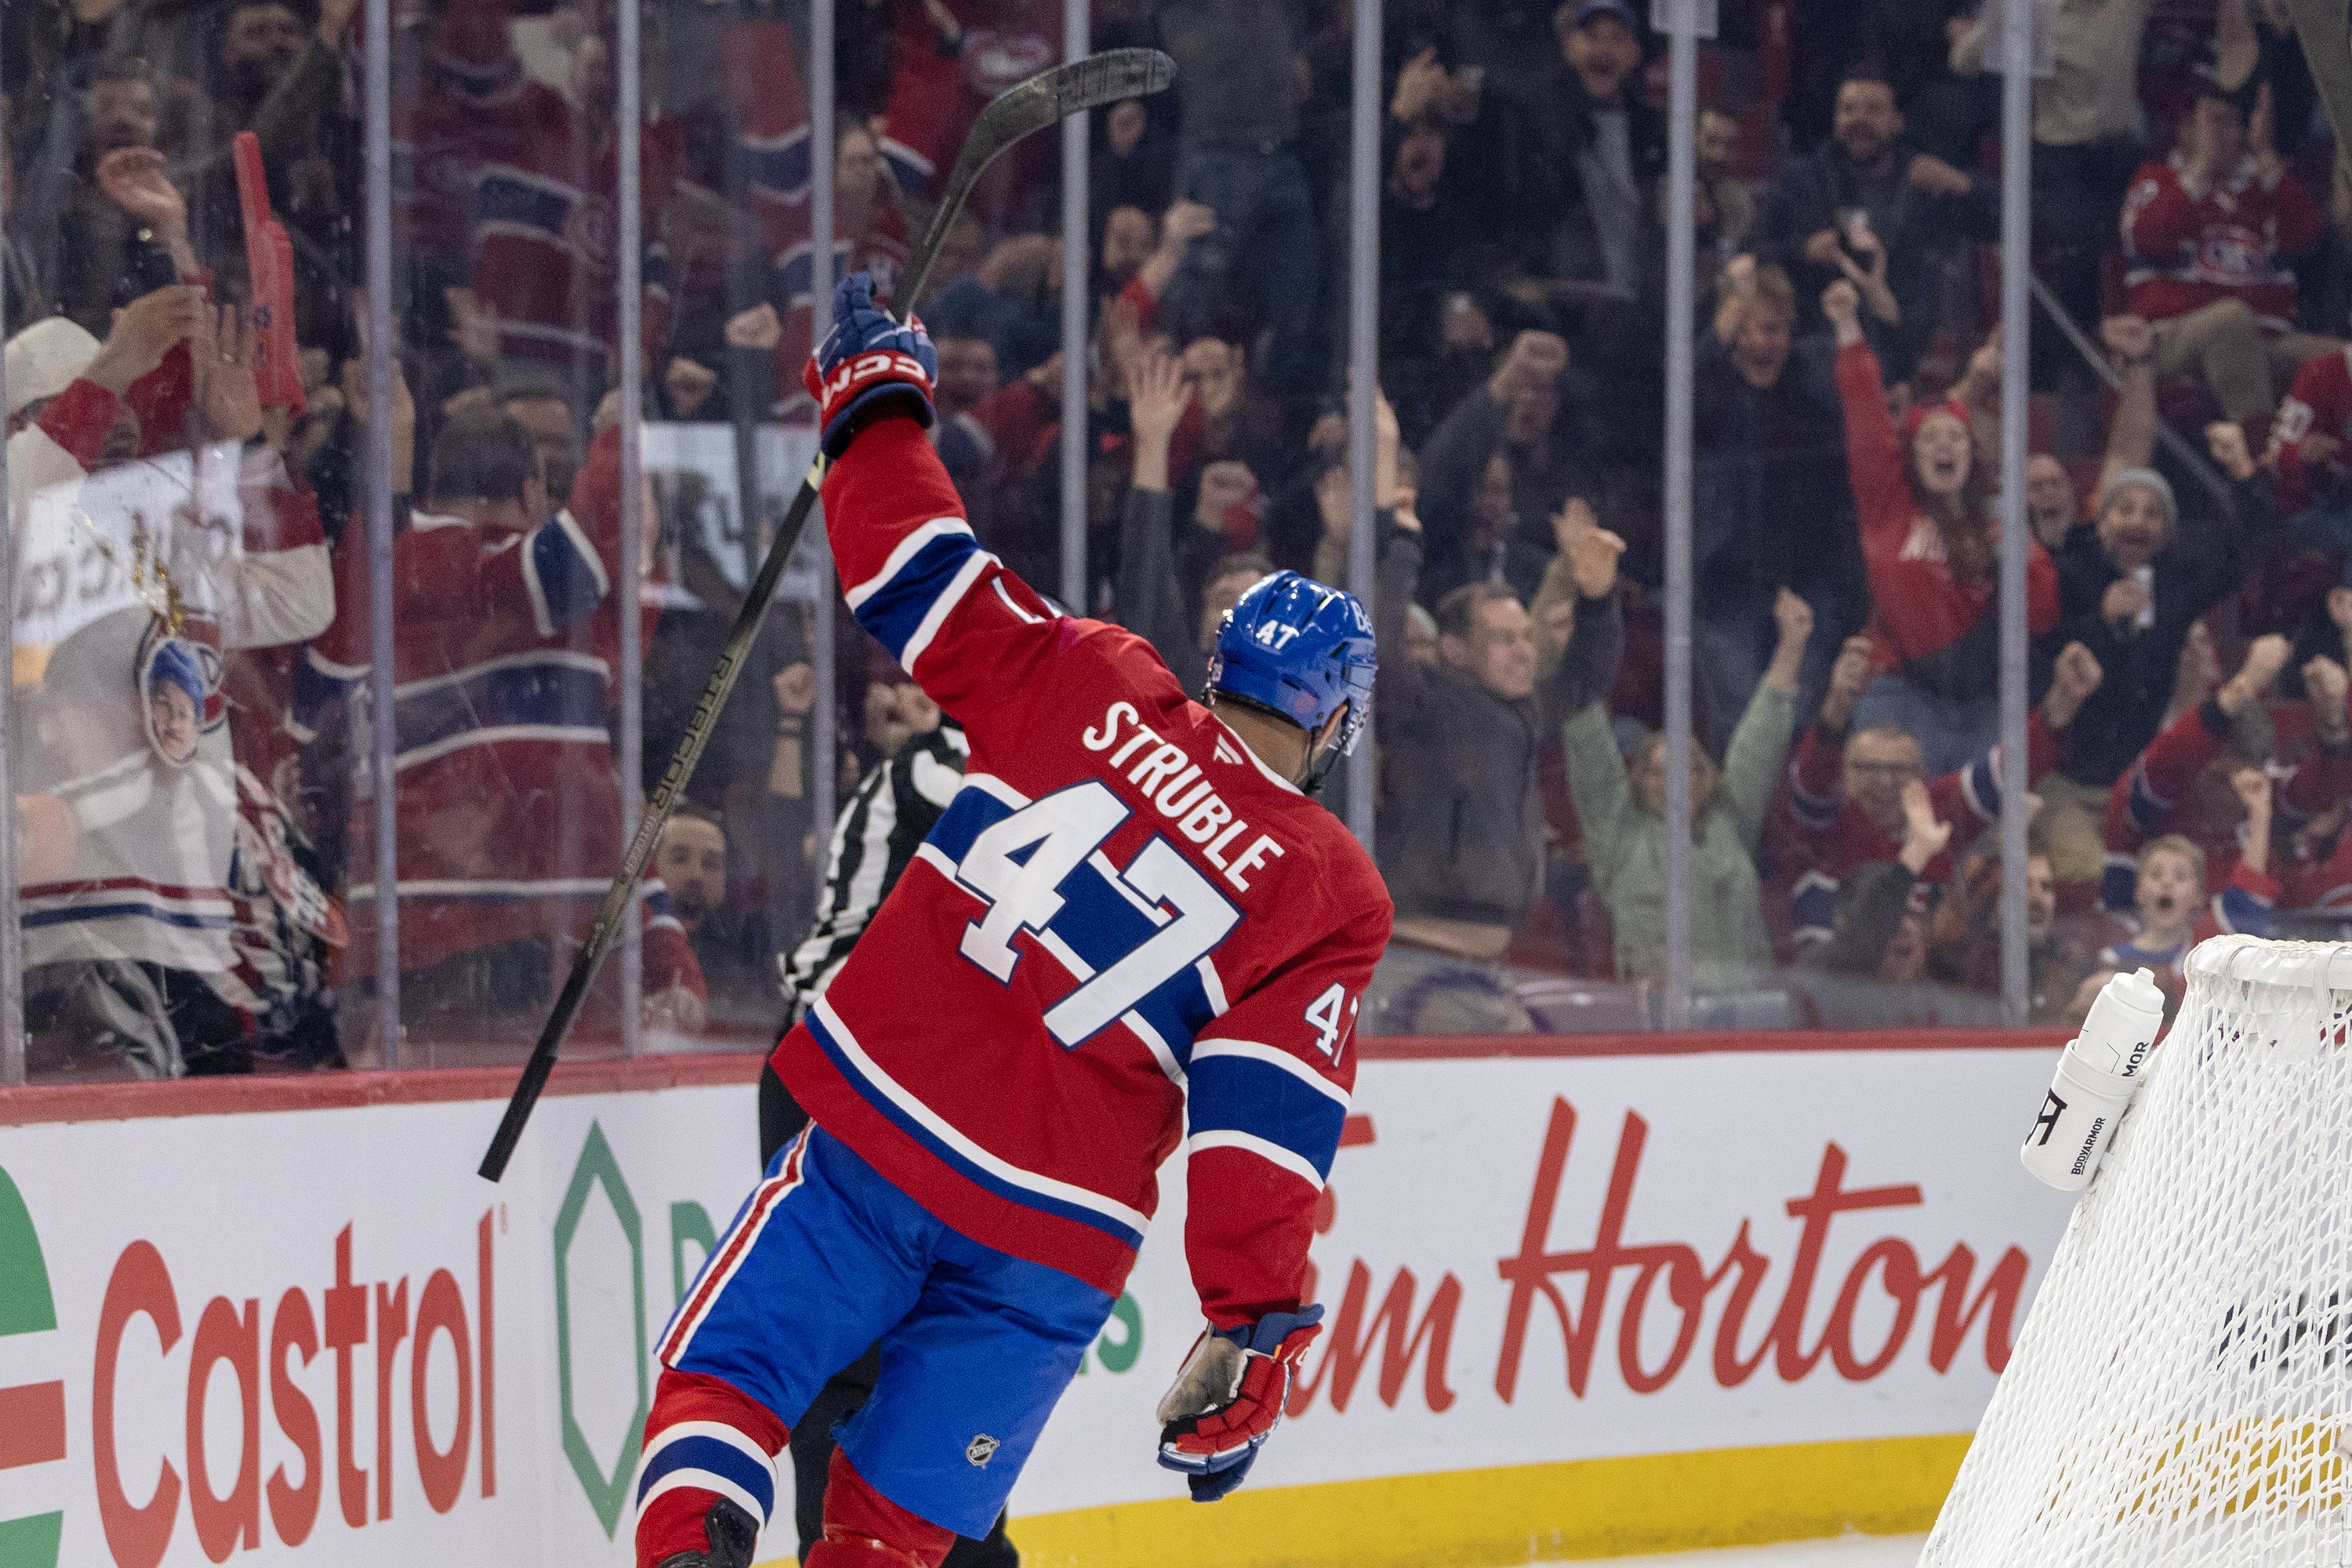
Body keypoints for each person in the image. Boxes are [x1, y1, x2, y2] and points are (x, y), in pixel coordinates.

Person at [633, 274, 1391, 1568]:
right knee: (892, 1537)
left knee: (722, 1396)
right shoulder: (1328, 885)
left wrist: (877, 405)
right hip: (1052, 1237)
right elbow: (1264, 1124)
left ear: (1221, 669)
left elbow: (917, 573)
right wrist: (1251, 1325)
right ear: (1333, 726)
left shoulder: (1096, 674)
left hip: (883, 1136)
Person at [313, 407, 706, 1044]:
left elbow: (609, 809)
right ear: (530, 491)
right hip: (492, 947)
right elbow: (602, 527)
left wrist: (671, 966)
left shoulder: (402, 576)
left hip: (451, 951)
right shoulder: (453, 567)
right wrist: (619, 426)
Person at [1824, 278, 2061, 773]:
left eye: (1956, 437)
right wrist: (1849, 330)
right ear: (1909, 455)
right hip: (1897, 690)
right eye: (1929, 438)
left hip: (1977, 705)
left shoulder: (1996, 522)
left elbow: (2039, 617)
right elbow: (1867, 423)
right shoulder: (1889, 507)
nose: (1945, 447)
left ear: (1973, 454)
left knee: (1980, 839)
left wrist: (2027, 559)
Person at [1563, 586, 1812, 982]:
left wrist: (1792, 645)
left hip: (1745, 1018)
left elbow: (1758, 743)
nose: (1674, 784)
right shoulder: (1619, 834)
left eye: (1688, 770)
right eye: (1660, 772)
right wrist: (1575, 651)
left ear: (1706, 778)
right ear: (1640, 782)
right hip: (1660, 1022)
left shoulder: (1729, 821)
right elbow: (1589, 745)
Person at [1754, 65, 1998, 382]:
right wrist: (1802, 251)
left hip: (1907, 354)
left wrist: (1963, 184)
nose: (1859, 119)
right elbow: (1752, 254)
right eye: (1848, 109)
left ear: (1898, 122)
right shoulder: (1802, 181)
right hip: (1817, 356)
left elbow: (2014, 224)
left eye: (1873, 110)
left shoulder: (1925, 181)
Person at [2119, 75, 2335, 434]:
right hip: (2176, 337)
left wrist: (2266, 159)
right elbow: (2148, 238)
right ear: (2185, 128)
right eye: (2212, 121)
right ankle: (2260, 461)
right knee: (2232, 320)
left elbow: (2308, 235)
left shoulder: (2263, 185)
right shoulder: (2157, 178)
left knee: (2341, 360)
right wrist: (2200, 172)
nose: (2222, 134)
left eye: (2232, 122)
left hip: (2267, 341)